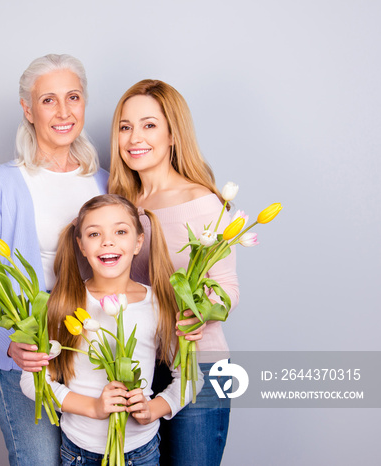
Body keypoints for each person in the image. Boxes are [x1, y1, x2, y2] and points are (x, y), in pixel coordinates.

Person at [0, 54, 108, 466]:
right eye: (48, 100)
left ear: (84, 103)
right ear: (28, 109)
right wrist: (12, 345)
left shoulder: (106, 183)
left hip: (93, 357)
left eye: (73, 97)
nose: (63, 112)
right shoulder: (1, 184)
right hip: (29, 361)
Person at [108, 79, 240, 465]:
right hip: (140, 367)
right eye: (125, 126)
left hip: (199, 368)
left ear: (172, 135)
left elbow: (227, 287)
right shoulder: (120, 206)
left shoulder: (202, 201)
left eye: (149, 125)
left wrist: (203, 310)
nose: (135, 137)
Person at [20, 194, 203, 466]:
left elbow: (192, 378)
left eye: (120, 231)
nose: (108, 241)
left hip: (142, 452)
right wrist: (93, 407)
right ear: (81, 245)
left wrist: (153, 409)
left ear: (138, 241)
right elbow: (32, 383)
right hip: (80, 453)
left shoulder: (160, 303)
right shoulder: (64, 303)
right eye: (94, 234)